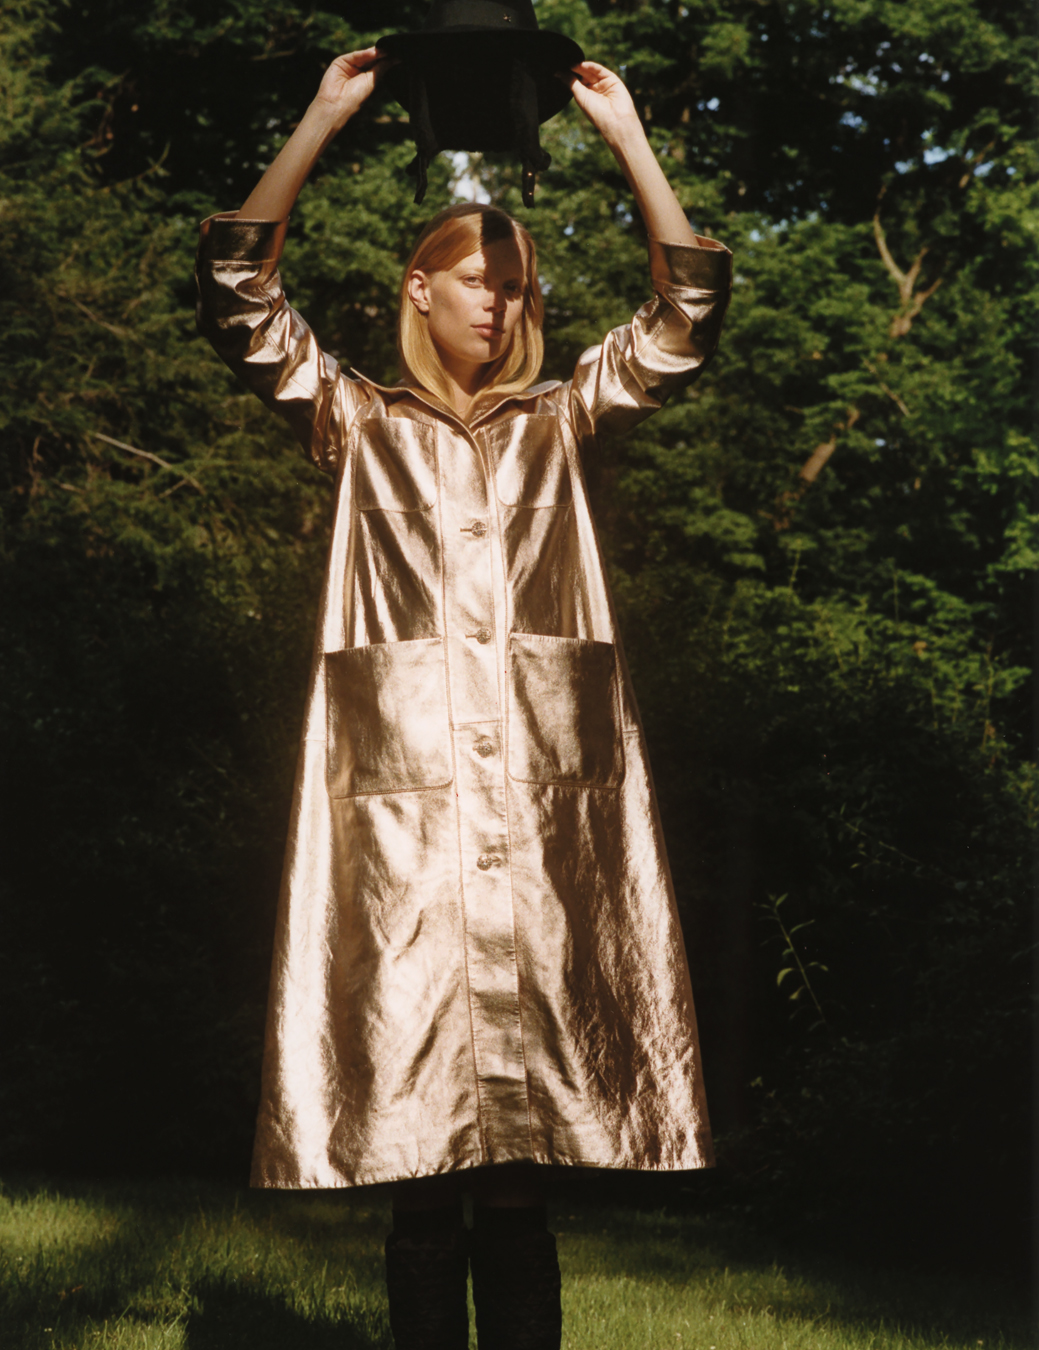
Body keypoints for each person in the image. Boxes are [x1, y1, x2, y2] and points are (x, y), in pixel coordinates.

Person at [195, 45, 731, 1350]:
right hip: (403, 842)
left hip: (541, 836)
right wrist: (323, 116)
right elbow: (233, 290)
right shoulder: (356, 419)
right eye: (476, 281)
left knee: (517, 1185)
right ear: (417, 289)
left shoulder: (560, 421)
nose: (498, 304)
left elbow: (685, 322)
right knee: (424, 1174)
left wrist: (633, 144)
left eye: (516, 288)